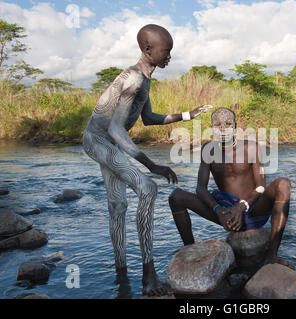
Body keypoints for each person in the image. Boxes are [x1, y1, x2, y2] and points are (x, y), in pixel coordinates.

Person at [82, 24, 212, 297]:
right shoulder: (135, 79)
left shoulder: (145, 79)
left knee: (118, 205)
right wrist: (152, 165)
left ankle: (121, 275)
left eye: (171, 52)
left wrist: (188, 115)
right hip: (98, 140)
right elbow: (116, 130)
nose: (169, 57)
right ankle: (148, 274)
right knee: (148, 188)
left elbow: (149, 119)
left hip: (103, 140)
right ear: (148, 49)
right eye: (166, 52)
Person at [169, 107, 294, 269]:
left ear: (235, 127)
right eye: (217, 124)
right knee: (176, 196)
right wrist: (218, 209)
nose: (222, 129)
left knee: (283, 184)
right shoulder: (208, 149)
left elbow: (261, 186)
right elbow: (200, 188)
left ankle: (271, 256)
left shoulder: (251, 147)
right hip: (226, 213)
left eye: (228, 124)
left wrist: (242, 206)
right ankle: (190, 250)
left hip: (254, 209)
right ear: (212, 128)